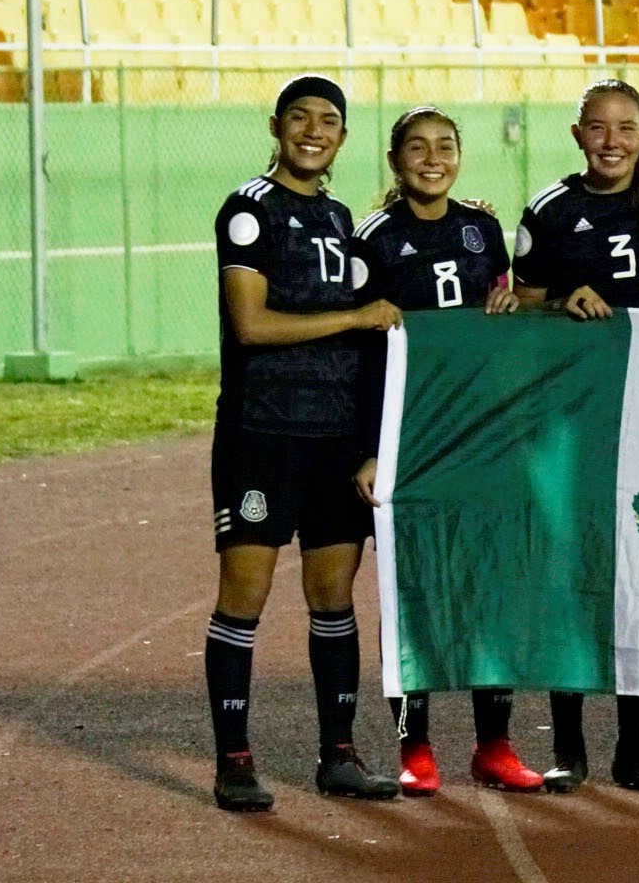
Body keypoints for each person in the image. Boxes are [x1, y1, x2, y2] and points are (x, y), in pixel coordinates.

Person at [206, 74, 403, 811]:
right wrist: (353, 319)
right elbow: (252, 326)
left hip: (334, 440)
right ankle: (234, 761)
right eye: (301, 118)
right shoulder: (249, 210)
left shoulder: (343, 218)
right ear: (276, 127)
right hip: (262, 434)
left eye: (329, 121)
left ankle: (339, 756)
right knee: (244, 597)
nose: (314, 131)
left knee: (332, 596)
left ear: (344, 137)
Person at [348, 106, 543, 797]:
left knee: (493, 590)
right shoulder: (371, 238)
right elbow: (362, 356)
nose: (433, 157)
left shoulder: (483, 228)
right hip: (412, 443)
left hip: (483, 438)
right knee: (415, 593)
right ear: (396, 159)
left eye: (446, 146)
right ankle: (415, 745)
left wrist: (511, 306)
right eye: (418, 147)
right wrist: (372, 452)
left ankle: (494, 743)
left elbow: (502, 322)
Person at [512, 78, 639, 792]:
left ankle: (633, 746)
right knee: (573, 575)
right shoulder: (549, 210)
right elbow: (514, 298)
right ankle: (570, 745)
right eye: (598, 128)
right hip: (571, 418)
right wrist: (557, 299)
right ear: (578, 135)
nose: (612, 141)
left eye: (626, 128)